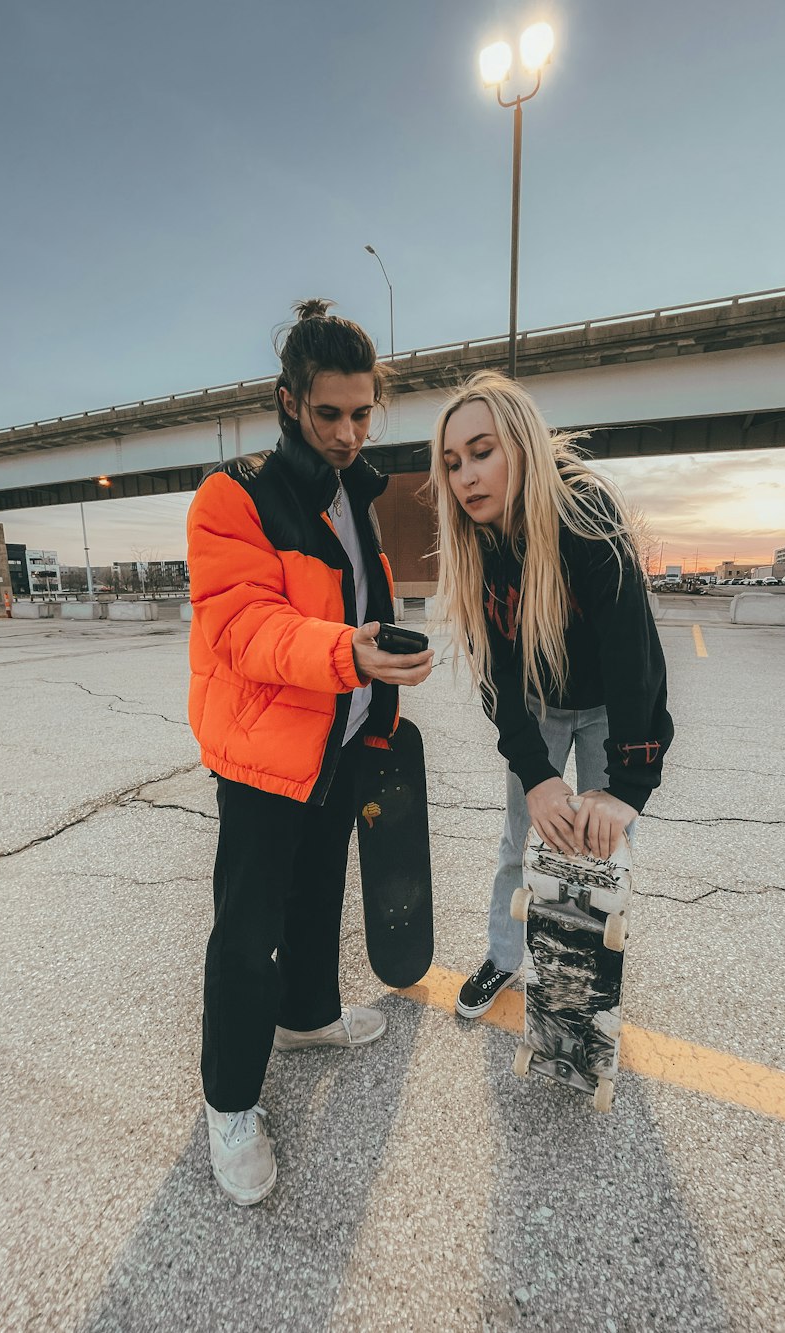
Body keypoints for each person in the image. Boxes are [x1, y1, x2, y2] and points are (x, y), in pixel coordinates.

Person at [187, 299, 433, 1205]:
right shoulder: (236, 494)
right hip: (261, 752)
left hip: (338, 739)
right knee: (247, 934)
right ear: (289, 400)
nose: (347, 430)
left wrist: (384, 684)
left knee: (319, 894)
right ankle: (230, 1102)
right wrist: (349, 655)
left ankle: (308, 1016)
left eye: (362, 412)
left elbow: (357, 606)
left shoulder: (359, 492)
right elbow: (247, 627)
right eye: (328, 413)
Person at [428, 370, 673, 1020]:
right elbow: (496, 678)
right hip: (538, 706)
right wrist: (537, 775)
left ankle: (593, 971)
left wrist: (627, 784)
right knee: (520, 839)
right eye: (453, 463)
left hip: (605, 708)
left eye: (482, 451)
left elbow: (633, 653)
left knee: (602, 844)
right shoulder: (478, 541)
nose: (466, 476)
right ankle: (504, 958)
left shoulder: (583, 510)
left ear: (522, 443)